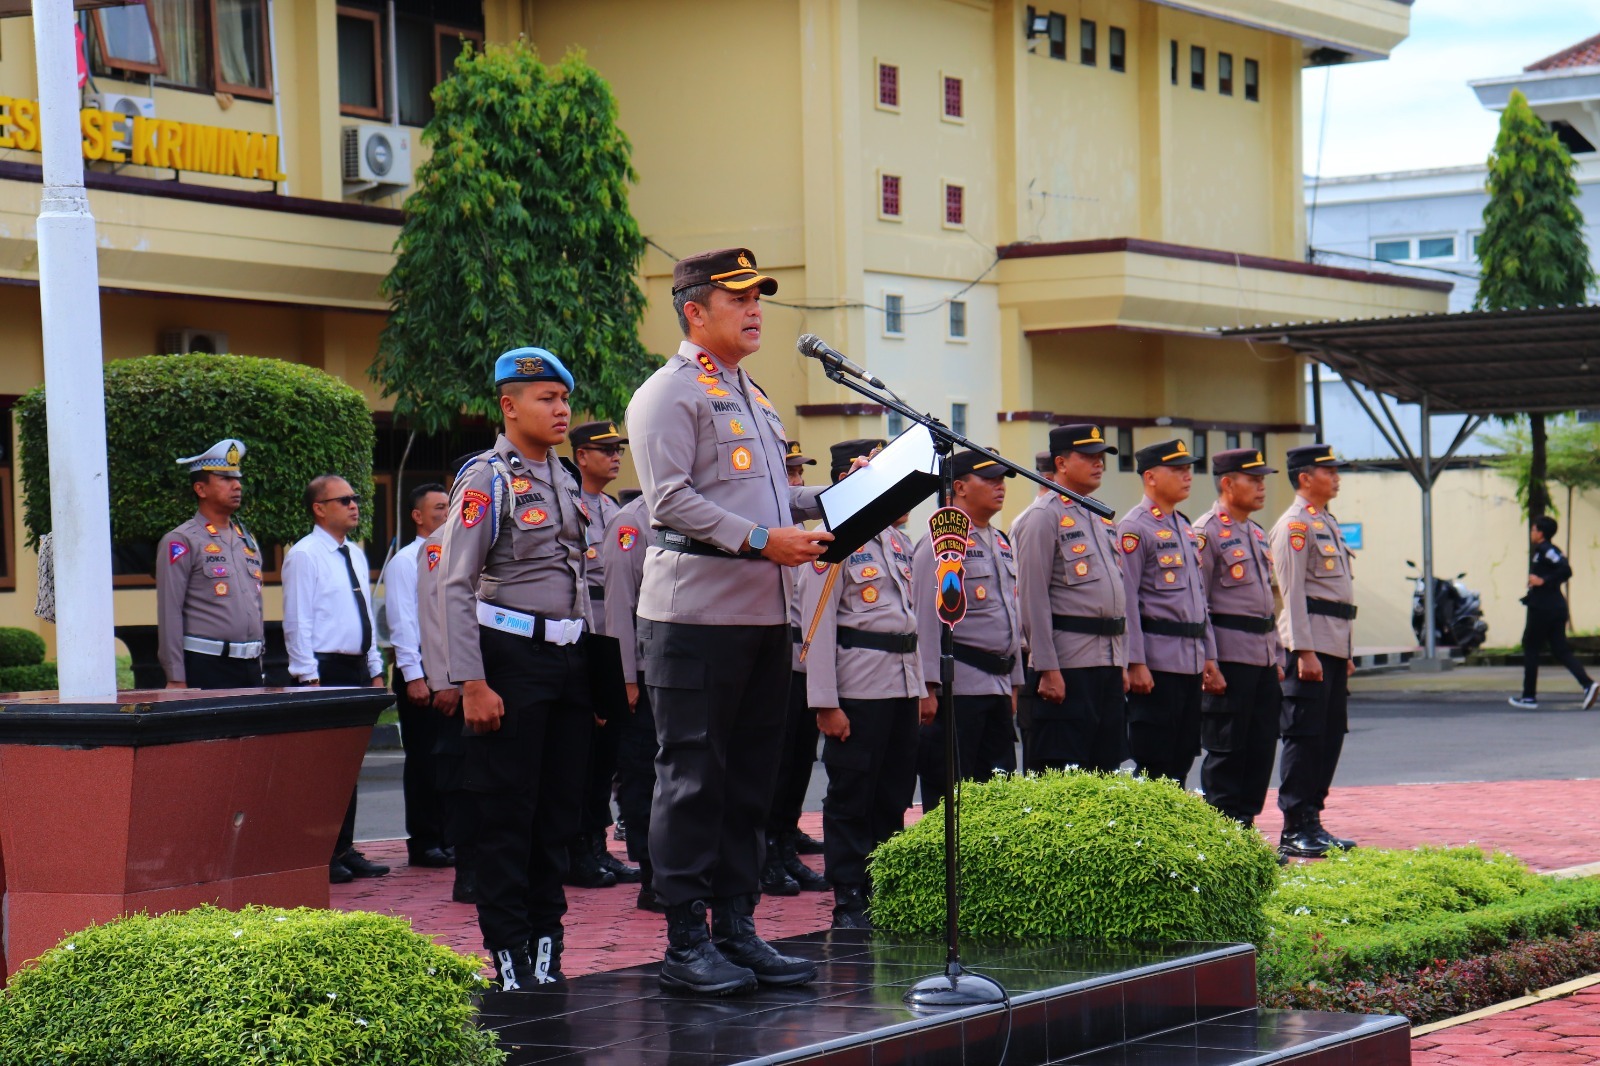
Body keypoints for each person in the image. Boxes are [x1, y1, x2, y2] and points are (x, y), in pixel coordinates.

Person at [626, 247, 830, 996]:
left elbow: (774, 505)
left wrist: (848, 500)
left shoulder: (756, 397)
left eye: (759, 299)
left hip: (762, 617)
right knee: (692, 779)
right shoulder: (667, 394)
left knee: (750, 781)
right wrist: (762, 540)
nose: (755, 311)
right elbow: (669, 502)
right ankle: (685, 943)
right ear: (694, 311)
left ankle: (737, 931)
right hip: (695, 618)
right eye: (739, 298)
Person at [428, 348, 596, 990]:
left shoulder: (562, 479)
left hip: (567, 660)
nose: (561, 410)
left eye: (563, 399)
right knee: (507, 815)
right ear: (509, 405)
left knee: (558, 814)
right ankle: (507, 954)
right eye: (545, 399)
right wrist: (470, 680)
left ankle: (546, 946)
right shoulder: (486, 480)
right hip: (508, 662)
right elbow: (454, 584)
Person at [801, 445, 927, 929]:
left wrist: (918, 689)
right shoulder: (832, 538)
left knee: (893, 793)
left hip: (900, 685)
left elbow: (909, 623)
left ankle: (884, 885)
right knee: (852, 793)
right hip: (857, 688)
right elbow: (817, 625)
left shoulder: (894, 541)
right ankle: (849, 895)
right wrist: (825, 702)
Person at [282, 473, 389, 884]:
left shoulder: (354, 554)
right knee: (323, 768)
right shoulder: (305, 555)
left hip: (355, 668)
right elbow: (297, 621)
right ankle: (322, 853)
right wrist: (308, 677)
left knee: (349, 763)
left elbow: (365, 618)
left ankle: (345, 847)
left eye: (354, 497)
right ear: (319, 509)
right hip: (323, 669)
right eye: (343, 499)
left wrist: (375, 668)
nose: (353, 504)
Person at [762, 439, 854, 898]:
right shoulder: (769, 529)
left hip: (801, 660)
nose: (794, 482)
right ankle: (767, 850)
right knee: (776, 762)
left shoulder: (815, 533)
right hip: (775, 655)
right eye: (789, 472)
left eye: (800, 474)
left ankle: (782, 841)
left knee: (798, 761)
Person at [912, 448, 1023, 813]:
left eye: (1002, 479)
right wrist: (927, 687)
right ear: (958, 487)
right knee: (953, 796)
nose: (999, 486)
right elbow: (926, 619)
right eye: (988, 479)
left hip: (997, 685)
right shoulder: (942, 539)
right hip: (959, 687)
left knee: (998, 792)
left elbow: (1011, 614)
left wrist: (1015, 683)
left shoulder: (1001, 541)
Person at [1011, 424, 1128, 773]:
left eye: (1101, 457)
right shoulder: (1043, 517)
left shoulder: (1100, 514)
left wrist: (1121, 661)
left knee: (1104, 769)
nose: (1099, 464)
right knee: (1062, 768)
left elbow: (1118, 592)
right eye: (1088, 457)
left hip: (1105, 662)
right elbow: (1032, 599)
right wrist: (1047, 668)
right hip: (1067, 665)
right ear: (1061, 463)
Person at [1270, 443, 1359, 859]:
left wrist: (1346, 651)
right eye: (1329, 470)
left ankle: (1314, 821)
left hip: (1333, 645)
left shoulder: (1327, 522)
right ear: (1306, 478)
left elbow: (1340, 596)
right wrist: (1304, 651)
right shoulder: (1294, 526)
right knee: (1304, 736)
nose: (1336, 476)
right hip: (1310, 649)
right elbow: (1293, 595)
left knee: (1329, 735)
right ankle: (1293, 825)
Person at [1118, 439, 1223, 785]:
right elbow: (1127, 600)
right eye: (1177, 470)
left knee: (1182, 755)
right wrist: (1135, 662)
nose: (1187, 476)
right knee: (1153, 758)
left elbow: (1198, 598)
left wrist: (1209, 654)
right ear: (1150, 476)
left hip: (1189, 660)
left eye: (1188, 469)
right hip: (1157, 663)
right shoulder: (1135, 527)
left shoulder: (1183, 525)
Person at [566, 419, 639, 889]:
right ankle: (578, 850)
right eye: (604, 450)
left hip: (614, 632)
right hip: (581, 632)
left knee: (610, 747)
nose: (615, 457)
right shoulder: (569, 504)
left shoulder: (613, 509)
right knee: (583, 750)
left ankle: (598, 846)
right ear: (580, 457)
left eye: (618, 450)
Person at [1192, 449, 1283, 827]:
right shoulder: (1206, 532)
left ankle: (1245, 823)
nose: (1262, 486)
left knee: (1261, 745)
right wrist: (1209, 660)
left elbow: (1268, 601)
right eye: (1254, 479)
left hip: (1261, 656)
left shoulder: (1256, 532)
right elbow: (1199, 603)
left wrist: (1276, 653)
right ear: (1228, 483)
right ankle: (1225, 827)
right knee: (1228, 747)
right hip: (1229, 656)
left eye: (1263, 479)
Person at [602, 489, 667, 913]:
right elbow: (619, 605)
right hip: (646, 673)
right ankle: (652, 874)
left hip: (690, 671)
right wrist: (624, 677)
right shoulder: (632, 522)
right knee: (644, 776)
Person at [156, 439, 266, 689]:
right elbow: (169, 611)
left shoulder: (246, 540)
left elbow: (256, 605)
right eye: (225, 479)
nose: (237, 485)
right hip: (207, 665)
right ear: (201, 489)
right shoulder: (182, 540)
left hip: (250, 665)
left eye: (237, 478)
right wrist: (175, 676)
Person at [383, 482, 454, 869]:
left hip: (452, 669)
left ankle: (449, 836)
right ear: (417, 516)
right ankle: (425, 841)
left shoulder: (455, 554)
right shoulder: (405, 561)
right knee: (425, 760)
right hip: (422, 670)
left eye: (449, 505)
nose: (446, 512)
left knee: (451, 760)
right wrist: (413, 675)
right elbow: (403, 622)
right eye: (439, 507)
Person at [1511, 516, 1600, 710]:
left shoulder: (1547, 550)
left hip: (1545, 608)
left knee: (1531, 647)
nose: (1531, 533)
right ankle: (1588, 685)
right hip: (1552, 606)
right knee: (1559, 650)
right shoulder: (1543, 551)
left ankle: (1528, 697)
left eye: (1534, 529)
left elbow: (1566, 570)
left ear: (1541, 532)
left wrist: (1543, 581)